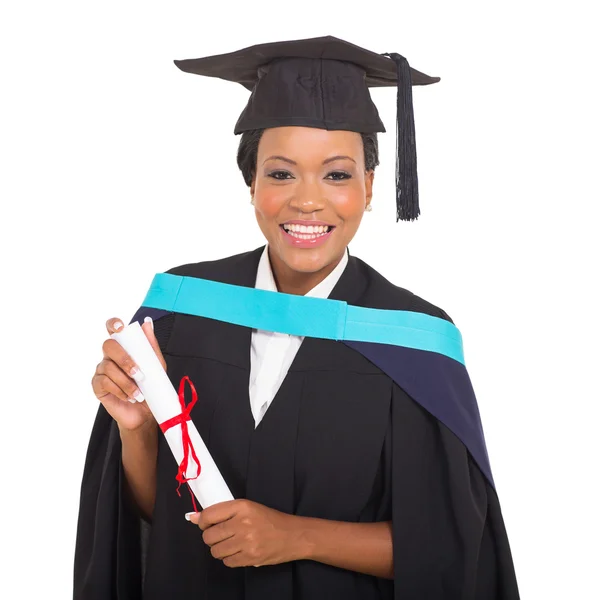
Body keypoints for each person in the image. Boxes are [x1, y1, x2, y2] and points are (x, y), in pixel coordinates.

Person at [74, 36, 520, 599]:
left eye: (336, 175)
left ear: (371, 187)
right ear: (251, 183)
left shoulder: (412, 339)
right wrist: (136, 431)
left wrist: (297, 537)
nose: (308, 201)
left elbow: (451, 547)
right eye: (281, 174)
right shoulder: (182, 310)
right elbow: (152, 517)